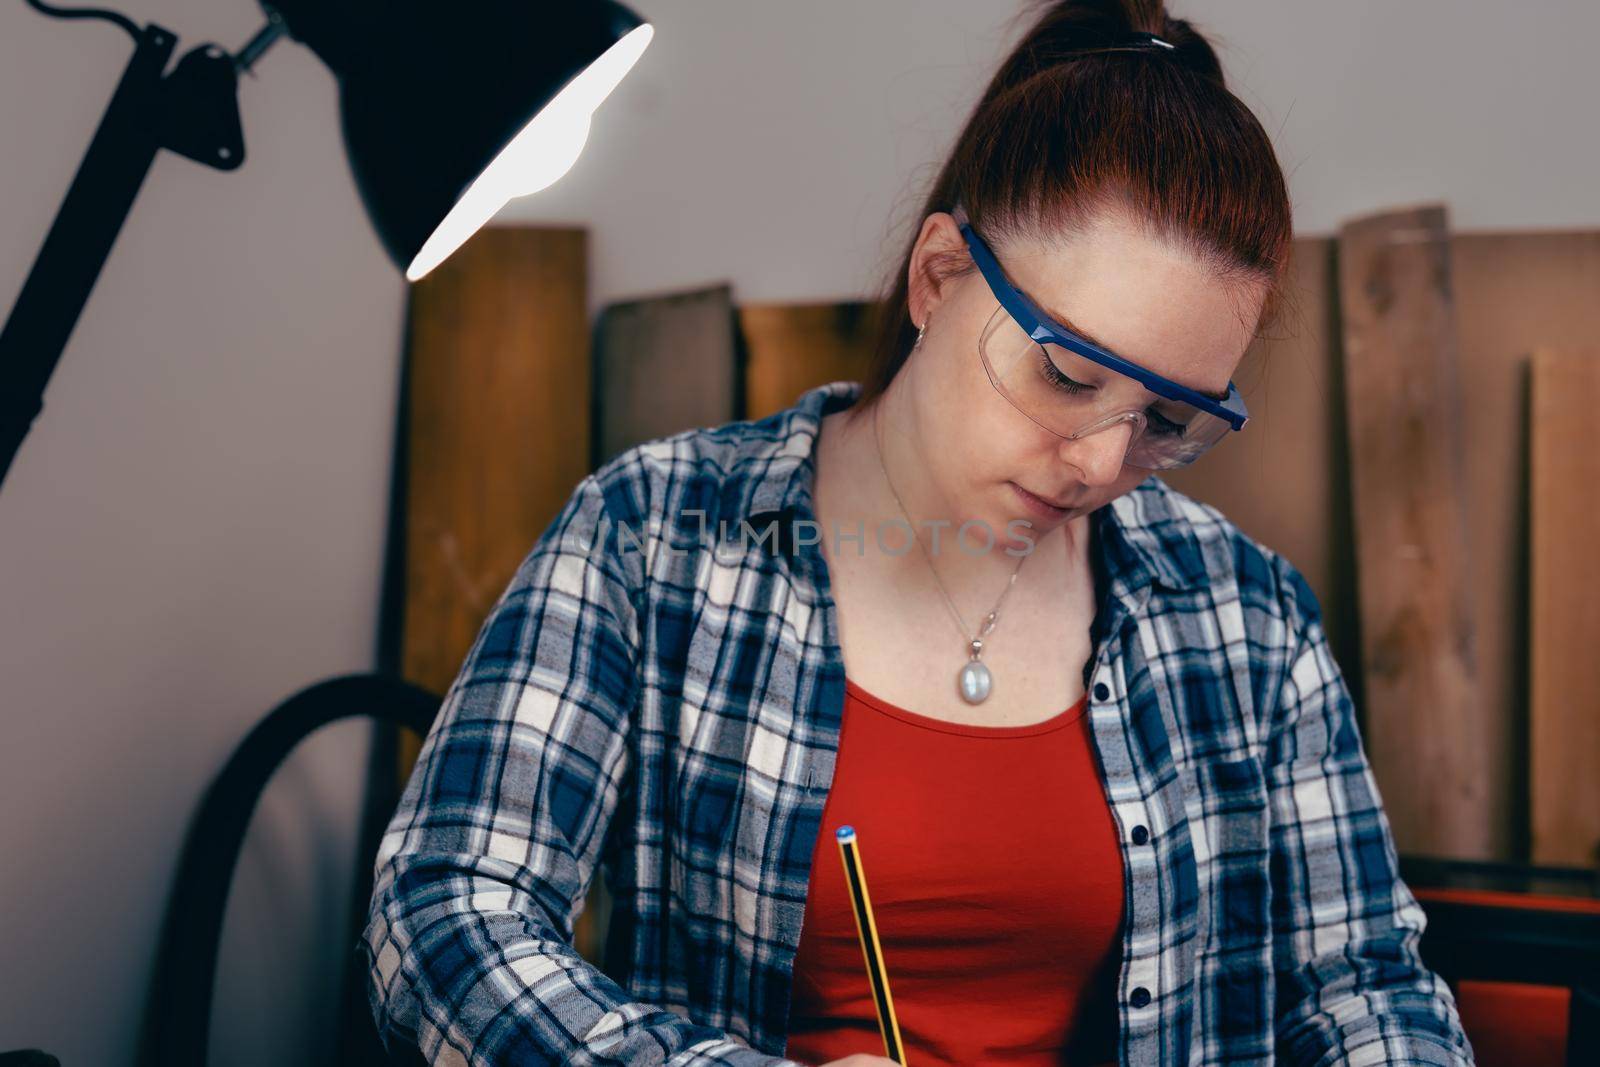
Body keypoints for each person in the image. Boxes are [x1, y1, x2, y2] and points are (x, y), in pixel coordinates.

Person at [362, 1, 1476, 1064]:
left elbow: (1363, 983)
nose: (1099, 462)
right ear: (940, 275)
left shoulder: (1246, 616)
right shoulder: (655, 536)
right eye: (1065, 372)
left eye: (1165, 418)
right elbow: (444, 913)